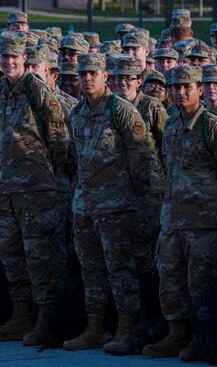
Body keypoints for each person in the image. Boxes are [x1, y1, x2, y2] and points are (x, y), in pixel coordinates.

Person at [142, 65, 217, 361]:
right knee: (169, 280)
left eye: (186, 87)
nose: (179, 92)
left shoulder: (213, 126)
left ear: (199, 89)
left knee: (198, 284)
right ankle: (177, 334)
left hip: (204, 223)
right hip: (173, 220)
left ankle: (202, 338)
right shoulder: (173, 122)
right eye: (174, 87)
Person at [65, 53, 163, 355]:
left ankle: (127, 328)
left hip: (118, 207)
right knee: (91, 270)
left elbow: (144, 161)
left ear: (105, 76)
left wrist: (143, 206)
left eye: (93, 73)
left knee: (120, 269)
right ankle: (95, 328)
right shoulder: (77, 112)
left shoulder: (121, 110)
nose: (87, 78)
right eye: (82, 74)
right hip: (85, 207)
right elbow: (76, 160)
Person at [0, 31, 69, 346]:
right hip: (7, 184)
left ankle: (45, 318)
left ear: (24, 58)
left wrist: (46, 170)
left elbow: (58, 137)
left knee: (38, 253)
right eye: (3, 57)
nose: (7, 62)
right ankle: (20, 314)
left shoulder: (38, 90)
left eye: (13, 57)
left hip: (36, 186)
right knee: (10, 250)